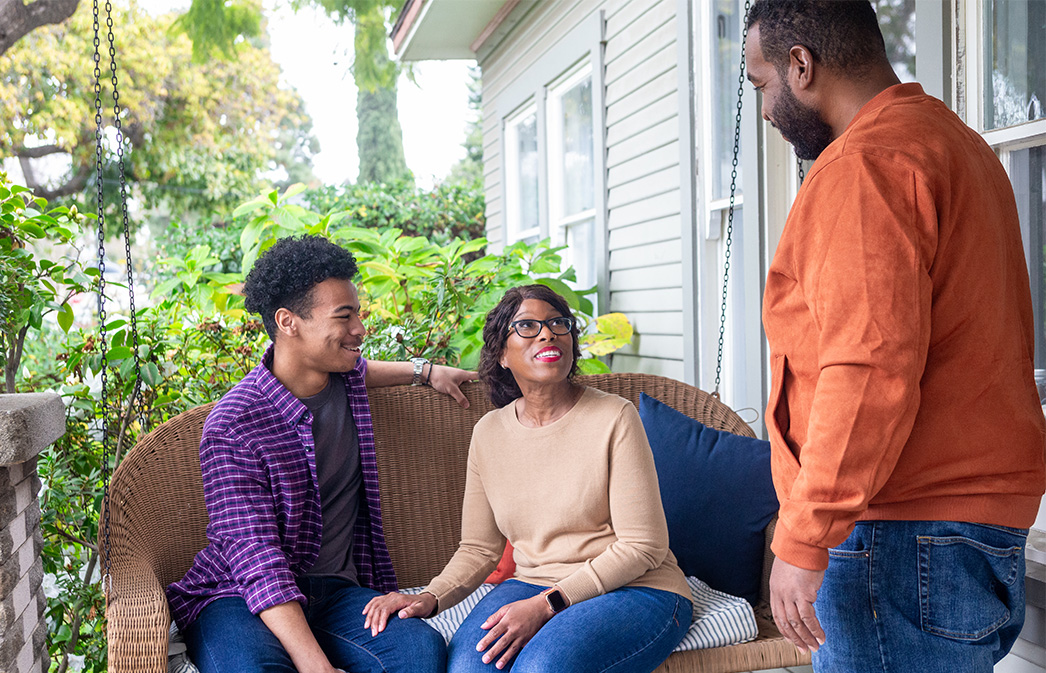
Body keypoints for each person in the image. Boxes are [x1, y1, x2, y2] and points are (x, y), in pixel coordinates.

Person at [747, 2, 1046, 671]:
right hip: (964, 525)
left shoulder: (866, 163)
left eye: (762, 85)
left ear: (802, 65)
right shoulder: (956, 145)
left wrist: (805, 535)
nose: (765, 111)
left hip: (900, 529)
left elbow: (866, 364)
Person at [166, 235, 475, 673]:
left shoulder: (343, 377)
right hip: (237, 593)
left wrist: (425, 372)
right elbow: (257, 560)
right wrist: (315, 665)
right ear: (288, 322)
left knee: (417, 652)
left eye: (358, 314)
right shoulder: (234, 424)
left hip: (333, 592)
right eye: (344, 317)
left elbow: (366, 370)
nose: (360, 330)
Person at [360, 284, 693, 672]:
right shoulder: (489, 433)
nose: (548, 333)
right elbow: (479, 549)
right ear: (502, 354)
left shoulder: (614, 417)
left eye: (557, 323)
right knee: (467, 668)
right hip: (532, 584)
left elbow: (643, 546)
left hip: (638, 588)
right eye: (527, 326)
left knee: (542, 667)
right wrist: (432, 597)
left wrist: (547, 604)